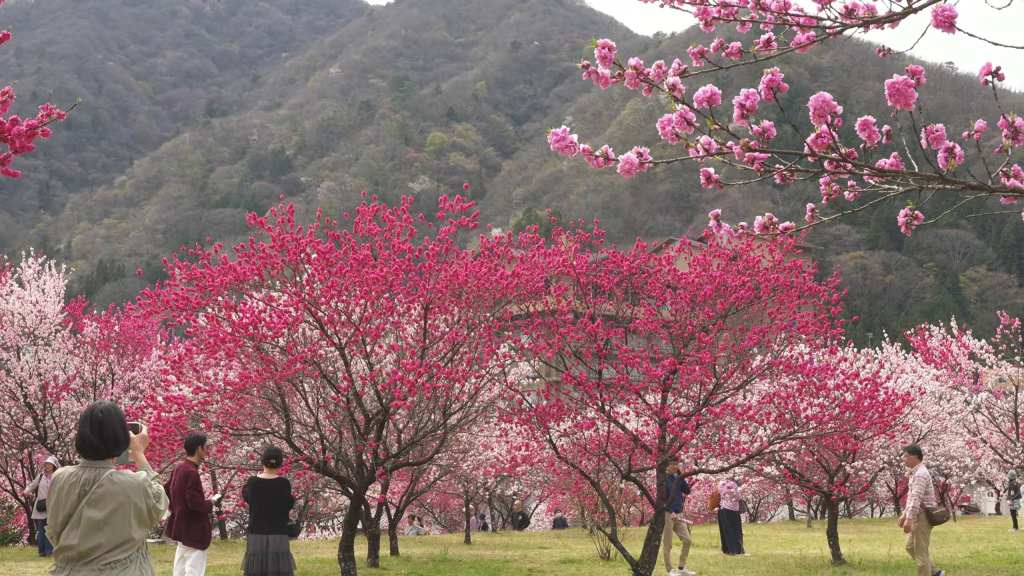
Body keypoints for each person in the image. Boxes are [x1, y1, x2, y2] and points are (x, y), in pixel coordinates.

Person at [46, 401, 168, 576]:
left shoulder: (60, 478)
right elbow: (159, 505)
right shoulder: (133, 484)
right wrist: (139, 453)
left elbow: (54, 530)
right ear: (121, 439)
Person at [165, 432, 220, 576]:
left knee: (180, 568)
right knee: (194, 569)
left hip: (180, 523)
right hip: (193, 528)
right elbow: (194, 503)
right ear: (199, 449)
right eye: (205, 447)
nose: (207, 450)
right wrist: (211, 503)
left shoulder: (179, 468)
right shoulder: (191, 472)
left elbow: (168, 491)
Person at [242, 446, 296, 576]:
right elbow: (288, 504)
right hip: (279, 534)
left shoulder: (253, 482)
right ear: (280, 463)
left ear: (262, 461)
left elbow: (247, 497)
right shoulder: (284, 484)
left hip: (257, 535)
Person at [898, 444, 945, 576]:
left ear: (914, 457)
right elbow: (912, 497)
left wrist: (909, 519)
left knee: (920, 553)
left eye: (905, 456)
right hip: (917, 515)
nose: (903, 459)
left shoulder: (920, 474)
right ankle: (936, 573)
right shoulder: (915, 473)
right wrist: (904, 514)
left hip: (922, 516)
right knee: (910, 547)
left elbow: (916, 499)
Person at [23, 455, 60, 557]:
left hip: (53, 506)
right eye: (46, 464)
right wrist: (27, 491)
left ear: (54, 466)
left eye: (49, 464)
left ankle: (49, 551)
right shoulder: (40, 476)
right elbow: (32, 485)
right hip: (41, 507)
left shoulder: (57, 477)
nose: (47, 466)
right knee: (41, 530)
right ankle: (41, 551)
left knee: (50, 530)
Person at [663, 460, 695, 575]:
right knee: (668, 543)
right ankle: (670, 569)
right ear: (668, 466)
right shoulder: (664, 479)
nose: (676, 466)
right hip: (668, 514)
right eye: (673, 464)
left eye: (677, 464)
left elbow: (687, 491)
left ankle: (681, 568)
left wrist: (681, 477)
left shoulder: (678, 477)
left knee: (687, 540)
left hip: (679, 514)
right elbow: (663, 498)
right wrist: (670, 511)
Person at [716, 477, 744, 555]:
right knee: (736, 530)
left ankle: (727, 550)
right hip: (733, 510)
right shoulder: (733, 484)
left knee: (725, 530)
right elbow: (738, 497)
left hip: (722, 509)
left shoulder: (721, 484)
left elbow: (718, 494)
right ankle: (737, 550)